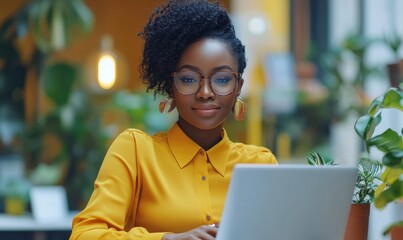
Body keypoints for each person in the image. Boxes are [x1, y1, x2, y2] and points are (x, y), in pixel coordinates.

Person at [70, 1, 277, 239]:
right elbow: (84, 234)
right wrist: (167, 239)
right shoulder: (136, 152)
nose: (205, 92)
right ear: (170, 87)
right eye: (188, 79)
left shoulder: (260, 164)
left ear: (238, 86)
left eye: (221, 79)